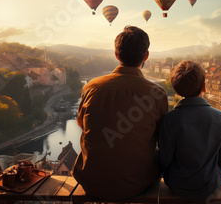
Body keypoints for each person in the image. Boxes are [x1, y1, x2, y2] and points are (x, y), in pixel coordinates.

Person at [72, 26, 169, 200]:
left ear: (116, 55)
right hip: (137, 183)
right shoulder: (156, 93)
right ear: (146, 55)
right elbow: (162, 137)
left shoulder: (90, 87)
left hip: (91, 181)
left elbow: (82, 124)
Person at [159, 60, 221, 202]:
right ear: (204, 87)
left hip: (176, 184)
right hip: (209, 185)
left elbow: (165, 159)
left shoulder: (170, 119)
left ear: (176, 90)